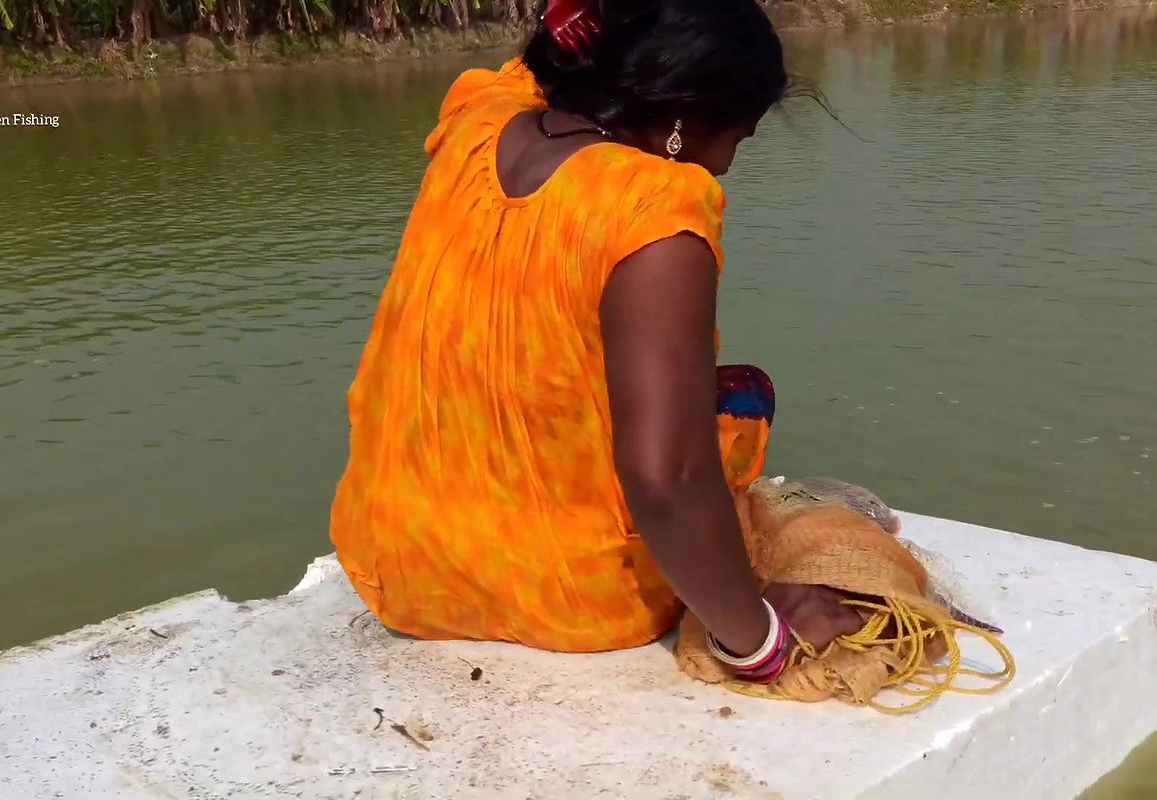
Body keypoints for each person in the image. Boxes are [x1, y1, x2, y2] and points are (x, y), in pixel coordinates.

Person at [329, 0, 863, 682]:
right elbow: (665, 481)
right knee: (737, 401)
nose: (726, 165)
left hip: (396, 570)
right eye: (739, 137)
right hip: (572, 599)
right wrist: (761, 641)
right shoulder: (654, 211)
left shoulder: (477, 120)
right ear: (683, 118)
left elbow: (534, 65)